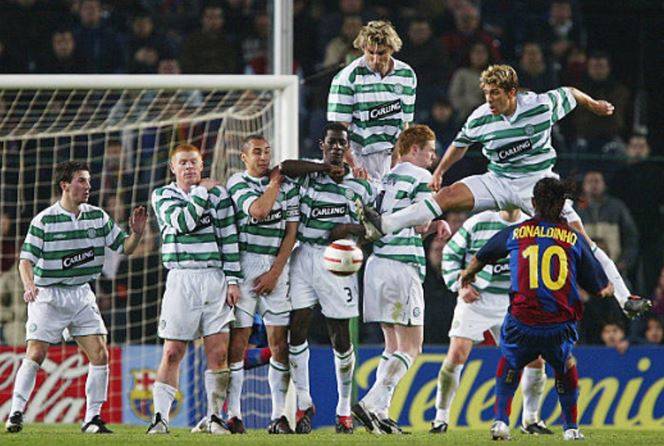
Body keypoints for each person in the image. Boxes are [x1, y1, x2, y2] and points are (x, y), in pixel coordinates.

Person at [363, 64, 650, 318]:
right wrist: (439, 172)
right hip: (498, 181)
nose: (490, 99)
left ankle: (626, 298)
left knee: (580, 238)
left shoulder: (539, 106)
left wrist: (594, 105)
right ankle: (385, 224)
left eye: (496, 93)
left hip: (538, 186)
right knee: (447, 195)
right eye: (487, 93)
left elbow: (571, 92)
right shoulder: (480, 117)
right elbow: (460, 145)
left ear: (512, 92)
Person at [459, 177, 615, 440]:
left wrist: (468, 274)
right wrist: (609, 288)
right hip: (558, 325)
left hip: (522, 321)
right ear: (563, 206)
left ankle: (500, 422)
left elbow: (483, 255)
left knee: (510, 360)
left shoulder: (516, 232)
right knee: (565, 364)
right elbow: (599, 287)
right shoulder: (572, 238)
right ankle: (571, 428)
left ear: (532, 203)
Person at [5, 161, 146, 434]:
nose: (88, 186)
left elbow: (126, 248)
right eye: (82, 180)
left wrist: (137, 234)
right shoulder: (44, 220)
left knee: (99, 353)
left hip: (81, 293)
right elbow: (25, 261)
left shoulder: (98, 217)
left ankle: (92, 419)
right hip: (49, 295)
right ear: (65, 185)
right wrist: (29, 285)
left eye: (89, 181)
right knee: (36, 352)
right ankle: (15, 413)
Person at [279, 123, 376, 434]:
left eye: (342, 144)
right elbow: (284, 167)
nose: (337, 148)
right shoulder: (309, 173)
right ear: (322, 144)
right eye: (332, 143)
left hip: (339, 260)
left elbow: (374, 227)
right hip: (304, 255)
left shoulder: (360, 185)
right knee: (297, 327)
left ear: (348, 148)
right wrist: (323, 167)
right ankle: (304, 404)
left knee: (340, 335)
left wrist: (348, 231)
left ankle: (344, 409)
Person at [351, 125, 446, 434]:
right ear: (414, 148)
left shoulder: (388, 177)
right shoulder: (421, 178)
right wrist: (438, 223)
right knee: (412, 346)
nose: (433, 156)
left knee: (391, 345)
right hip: (401, 265)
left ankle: (381, 413)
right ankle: (370, 402)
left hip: (376, 264)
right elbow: (421, 225)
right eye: (430, 150)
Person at [431, 209, 552, 435]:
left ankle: (531, 419)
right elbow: (449, 254)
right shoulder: (478, 222)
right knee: (457, 354)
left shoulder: (532, 225)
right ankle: (440, 418)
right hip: (477, 299)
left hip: (514, 301)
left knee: (535, 359)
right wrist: (461, 285)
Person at [147, 144, 242, 435]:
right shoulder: (163, 195)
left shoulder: (220, 195)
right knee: (173, 352)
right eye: (183, 163)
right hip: (181, 278)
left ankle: (214, 418)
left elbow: (228, 237)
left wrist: (233, 279)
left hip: (214, 279)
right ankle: (160, 418)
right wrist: (202, 192)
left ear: (202, 166)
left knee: (218, 354)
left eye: (193, 163)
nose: (189, 168)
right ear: (172, 168)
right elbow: (183, 223)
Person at [224, 135, 299, 434]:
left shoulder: (287, 186)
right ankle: (234, 414)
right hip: (244, 265)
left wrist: (275, 272)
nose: (264, 157)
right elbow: (258, 211)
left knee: (279, 342)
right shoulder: (237, 183)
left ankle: (279, 415)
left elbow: (291, 232)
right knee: (238, 342)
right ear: (244, 157)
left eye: (267, 152)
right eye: (257, 152)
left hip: (276, 265)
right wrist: (274, 185)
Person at [327, 20, 417, 181]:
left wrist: (397, 158)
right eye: (370, 52)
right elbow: (338, 131)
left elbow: (404, 125)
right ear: (363, 49)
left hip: (391, 155)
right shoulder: (347, 78)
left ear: (392, 49)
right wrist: (354, 166)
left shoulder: (406, 75)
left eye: (381, 53)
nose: (375, 59)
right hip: (358, 156)